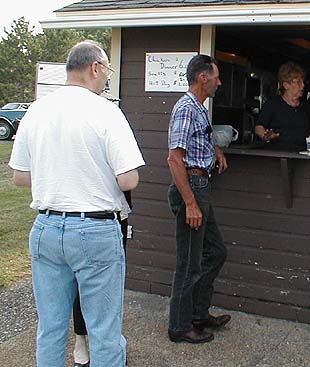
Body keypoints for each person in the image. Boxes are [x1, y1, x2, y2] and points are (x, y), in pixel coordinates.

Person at [8, 40, 145, 367]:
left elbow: (19, 176)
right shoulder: (106, 111)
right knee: (103, 330)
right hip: (95, 230)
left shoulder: (37, 110)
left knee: (51, 327)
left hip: (46, 229)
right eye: (107, 71)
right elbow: (129, 179)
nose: (106, 78)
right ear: (95, 67)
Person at [167, 54, 230, 344]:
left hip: (201, 184)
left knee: (215, 252)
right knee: (189, 263)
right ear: (202, 77)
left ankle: (198, 314)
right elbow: (174, 158)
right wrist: (190, 202)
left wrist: (215, 150)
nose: (219, 81)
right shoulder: (186, 108)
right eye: (216, 76)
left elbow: (200, 138)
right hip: (192, 187)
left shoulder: (199, 109)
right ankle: (179, 326)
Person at [72, 190, 132, 367]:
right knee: (80, 283)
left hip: (114, 209)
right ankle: (81, 341)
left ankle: (110, 344)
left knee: (111, 286)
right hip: (78, 212)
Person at [254, 61, 310, 151]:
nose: (303, 85)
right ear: (286, 85)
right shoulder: (273, 104)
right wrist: (266, 136)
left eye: (302, 81)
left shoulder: (306, 107)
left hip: (302, 157)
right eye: (298, 82)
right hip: (277, 155)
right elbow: (259, 127)